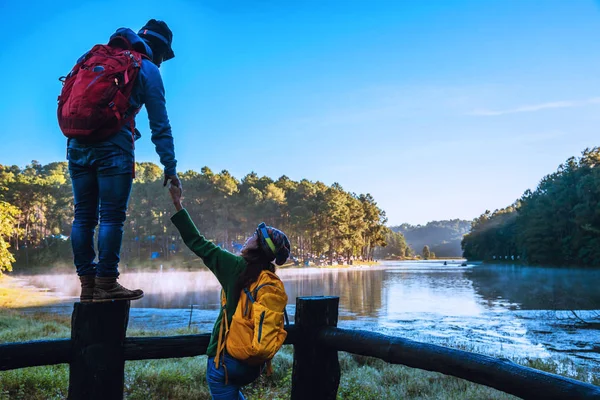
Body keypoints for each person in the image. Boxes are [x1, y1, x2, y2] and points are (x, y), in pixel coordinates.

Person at [66, 20, 180, 303]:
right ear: (160, 50)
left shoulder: (91, 57)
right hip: (114, 148)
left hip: (77, 144)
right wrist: (170, 167)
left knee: (83, 216)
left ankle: (87, 285)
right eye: (165, 56)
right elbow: (160, 125)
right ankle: (106, 281)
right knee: (111, 217)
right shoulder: (147, 68)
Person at [168, 184, 291, 400]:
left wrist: (178, 204)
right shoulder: (269, 278)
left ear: (257, 245)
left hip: (228, 363)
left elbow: (198, 242)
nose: (248, 238)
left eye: (254, 236)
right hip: (255, 366)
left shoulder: (234, 267)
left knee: (220, 382)